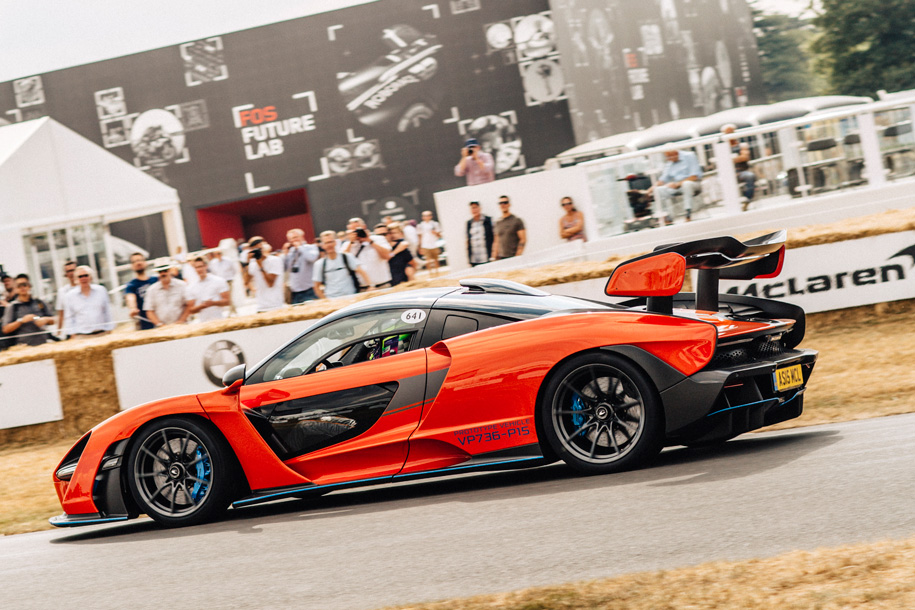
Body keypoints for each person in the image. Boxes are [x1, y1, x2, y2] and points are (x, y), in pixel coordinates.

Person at [650, 149, 702, 223]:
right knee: (658, 190)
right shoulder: (670, 163)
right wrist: (648, 191)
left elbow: (694, 177)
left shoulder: (689, 156)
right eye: (666, 157)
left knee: (686, 184)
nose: (668, 159)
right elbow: (662, 180)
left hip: (693, 184)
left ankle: (688, 213)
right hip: (678, 187)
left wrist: (677, 184)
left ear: (675, 154)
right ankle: (666, 217)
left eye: (669, 157)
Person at [313, 231, 370, 299]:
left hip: (351, 296)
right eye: (326, 243)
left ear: (335, 242)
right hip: (332, 299)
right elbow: (316, 286)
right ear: (322, 245)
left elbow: (361, 272)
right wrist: (325, 300)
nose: (329, 245)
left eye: (331, 242)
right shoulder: (319, 264)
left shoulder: (347, 257)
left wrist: (370, 286)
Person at [1, 274, 54, 347]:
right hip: (24, 345)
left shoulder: (39, 302)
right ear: (15, 288)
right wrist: (21, 321)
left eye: (24, 285)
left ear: (29, 286)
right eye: (19, 286)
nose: (22, 288)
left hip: (44, 343)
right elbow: (5, 329)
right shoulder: (13, 307)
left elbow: (53, 320)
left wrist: (45, 319)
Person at [63, 266, 113, 337]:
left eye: (86, 275)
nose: (83, 278)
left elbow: (107, 311)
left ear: (91, 277)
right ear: (76, 279)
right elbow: (69, 317)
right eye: (80, 276)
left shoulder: (101, 290)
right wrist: (72, 334)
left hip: (102, 333)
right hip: (81, 336)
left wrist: (110, 328)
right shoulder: (69, 296)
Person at [345, 218, 392, 289]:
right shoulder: (347, 245)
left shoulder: (378, 239)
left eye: (358, 228)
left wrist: (370, 241)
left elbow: (387, 256)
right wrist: (351, 242)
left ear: (364, 227)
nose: (357, 232)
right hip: (363, 287)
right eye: (354, 230)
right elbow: (343, 261)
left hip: (383, 285)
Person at [242, 236, 286, 312]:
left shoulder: (274, 260)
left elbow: (270, 283)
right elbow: (245, 282)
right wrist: (247, 263)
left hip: (276, 305)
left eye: (259, 247)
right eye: (254, 247)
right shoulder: (253, 264)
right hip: (261, 305)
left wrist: (260, 265)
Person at [722, 123, 757, 209]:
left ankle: (747, 200)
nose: (730, 134)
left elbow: (745, 157)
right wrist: (737, 158)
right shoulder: (722, 147)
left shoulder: (742, 145)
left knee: (750, 176)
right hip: (728, 173)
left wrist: (730, 159)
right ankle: (730, 203)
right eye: (727, 133)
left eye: (731, 132)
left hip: (742, 171)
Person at [186, 257, 230, 322]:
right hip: (203, 322)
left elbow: (228, 301)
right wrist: (202, 306)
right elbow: (191, 310)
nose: (199, 269)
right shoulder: (191, 287)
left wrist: (213, 303)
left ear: (206, 266)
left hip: (220, 320)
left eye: (200, 266)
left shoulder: (219, 280)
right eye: (196, 267)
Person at [282, 228, 320, 304]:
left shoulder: (310, 247)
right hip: (295, 292)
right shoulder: (291, 251)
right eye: (291, 239)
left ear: (302, 237)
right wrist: (285, 254)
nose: (293, 240)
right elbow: (284, 268)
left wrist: (300, 247)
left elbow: (312, 258)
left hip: (309, 289)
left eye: (295, 237)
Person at [124, 252, 157, 330]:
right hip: (145, 324)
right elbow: (130, 297)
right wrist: (133, 308)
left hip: (162, 319)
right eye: (134, 261)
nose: (138, 263)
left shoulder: (156, 280)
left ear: (145, 262)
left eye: (140, 260)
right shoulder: (131, 285)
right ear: (132, 266)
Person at [492, 195, 526, 260]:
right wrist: (494, 257)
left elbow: (523, 239)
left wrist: (518, 256)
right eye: (501, 203)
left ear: (509, 204)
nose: (503, 205)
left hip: (513, 257)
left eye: (505, 202)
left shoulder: (516, 220)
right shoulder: (497, 223)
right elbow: (496, 241)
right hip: (501, 258)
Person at [207, 248, 237, 314]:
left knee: (229, 296)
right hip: (219, 282)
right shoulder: (213, 263)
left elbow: (234, 270)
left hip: (228, 280)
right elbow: (213, 272)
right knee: (223, 297)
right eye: (216, 254)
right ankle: (233, 310)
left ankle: (231, 311)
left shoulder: (228, 260)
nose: (218, 255)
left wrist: (231, 277)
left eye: (219, 253)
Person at [465, 201, 493, 266]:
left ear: (480, 208)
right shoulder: (469, 223)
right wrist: (469, 259)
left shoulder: (487, 220)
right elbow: (468, 241)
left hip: (486, 257)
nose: (474, 210)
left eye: (475, 207)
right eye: (472, 208)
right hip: (474, 259)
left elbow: (494, 237)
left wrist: (493, 255)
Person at [55, 260, 78, 335]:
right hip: (71, 331)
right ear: (66, 274)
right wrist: (58, 332)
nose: (71, 273)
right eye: (68, 271)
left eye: (73, 270)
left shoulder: (86, 289)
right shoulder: (62, 291)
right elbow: (61, 314)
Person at [417, 210, 442, 277]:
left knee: (436, 259)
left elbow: (439, 235)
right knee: (428, 260)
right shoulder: (420, 225)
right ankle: (430, 273)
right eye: (425, 216)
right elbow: (419, 236)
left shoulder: (435, 224)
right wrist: (420, 246)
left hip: (434, 244)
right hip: (425, 244)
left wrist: (435, 233)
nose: (426, 217)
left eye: (428, 215)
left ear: (431, 216)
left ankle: (437, 273)